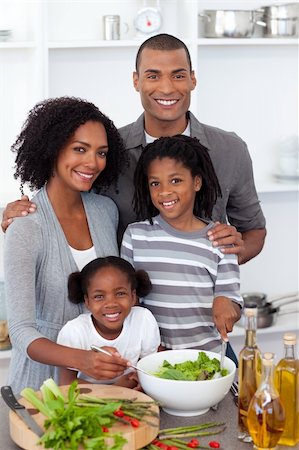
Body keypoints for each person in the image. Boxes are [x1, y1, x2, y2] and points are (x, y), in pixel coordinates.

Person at [1, 33, 266, 265]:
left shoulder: (230, 150)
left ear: (193, 80)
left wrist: (226, 258)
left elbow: (254, 230)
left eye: (178, 75)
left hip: (200, 313)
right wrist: (23, 216)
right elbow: (64, 205)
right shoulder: (107, 150)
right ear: (136, 81)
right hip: (121, 314)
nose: (166, 87)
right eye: (153, 76)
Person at [4, 96, 132, 393]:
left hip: (104, 385)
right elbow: (20, 331)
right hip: (41, 388)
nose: (92, 163)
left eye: (101, 153)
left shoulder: (105, 211)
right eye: (79, 149)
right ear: (52, 148)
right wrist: (81, 359)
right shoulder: (24, 227)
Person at [121, 135, 243, 357]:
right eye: (155, 183)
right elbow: (131, 300)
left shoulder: (219, 239)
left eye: (175, 180)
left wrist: (226, 303)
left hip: (207, 358)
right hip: (154, 359)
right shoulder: (135, 236)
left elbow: (232, 300)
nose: (164, 191)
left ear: (196, 182)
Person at [57, 256, 160, 387]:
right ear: (87, 301)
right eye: (99, 296)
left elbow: (148, 369)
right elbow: (66, 384)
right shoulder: (74, 331)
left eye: (120, 294)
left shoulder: (144, 320)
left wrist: (138, 379)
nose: (111, 304)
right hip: (88, 403)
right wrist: (116, 390)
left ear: (133, 296)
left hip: (131, 399)